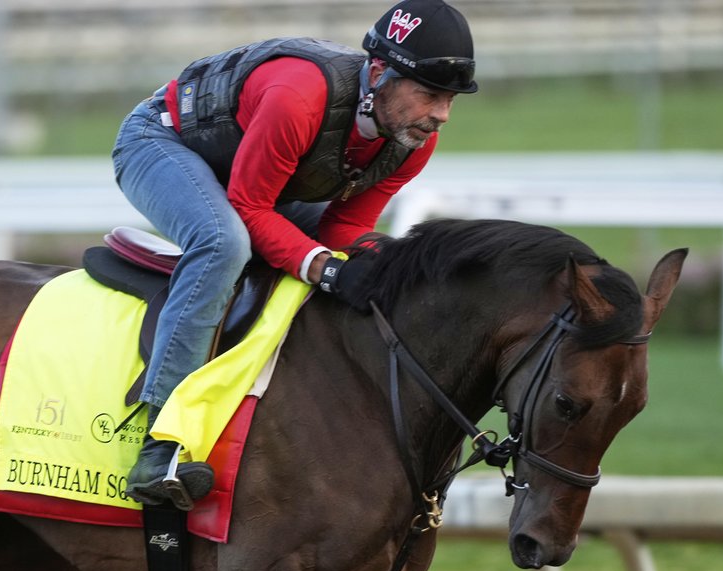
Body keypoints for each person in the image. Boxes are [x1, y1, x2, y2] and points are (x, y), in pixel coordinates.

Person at [111, 0, 478, 510]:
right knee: (224, 243)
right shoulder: (298, 97)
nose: (440, 116)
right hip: (162, 142)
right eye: (429, 95)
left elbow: (345, 227)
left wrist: (386, 264)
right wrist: (324, 269)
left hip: (254, 171)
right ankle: (160, 444)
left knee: (371, 264)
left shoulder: (412, 140)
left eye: (450, 99)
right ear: (379, 75)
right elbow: (249, 207)